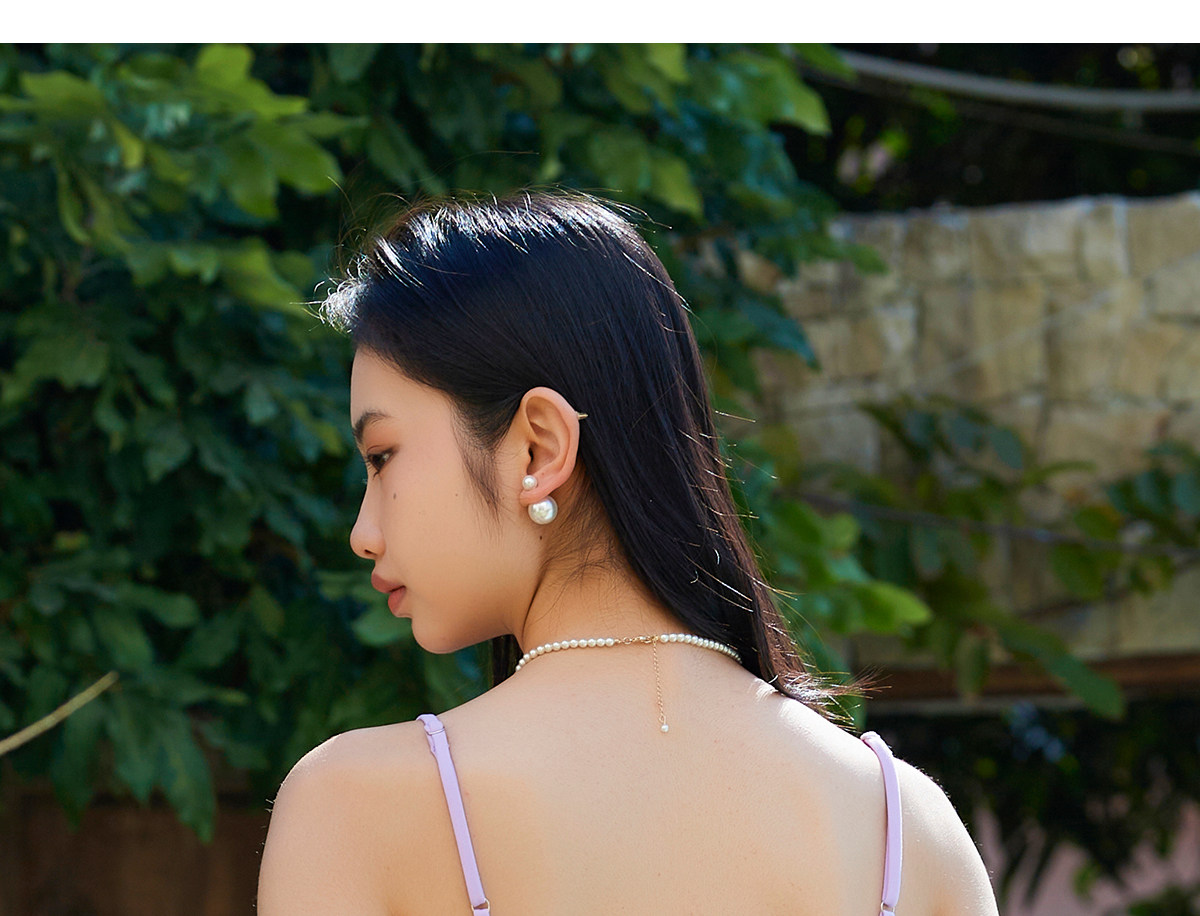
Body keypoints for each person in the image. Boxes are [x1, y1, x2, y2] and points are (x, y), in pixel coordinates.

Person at [257, 191, 999, 915]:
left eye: (382, 456)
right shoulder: (908, 832)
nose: (363, 531)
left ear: (539, 448)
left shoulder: (355, 810)